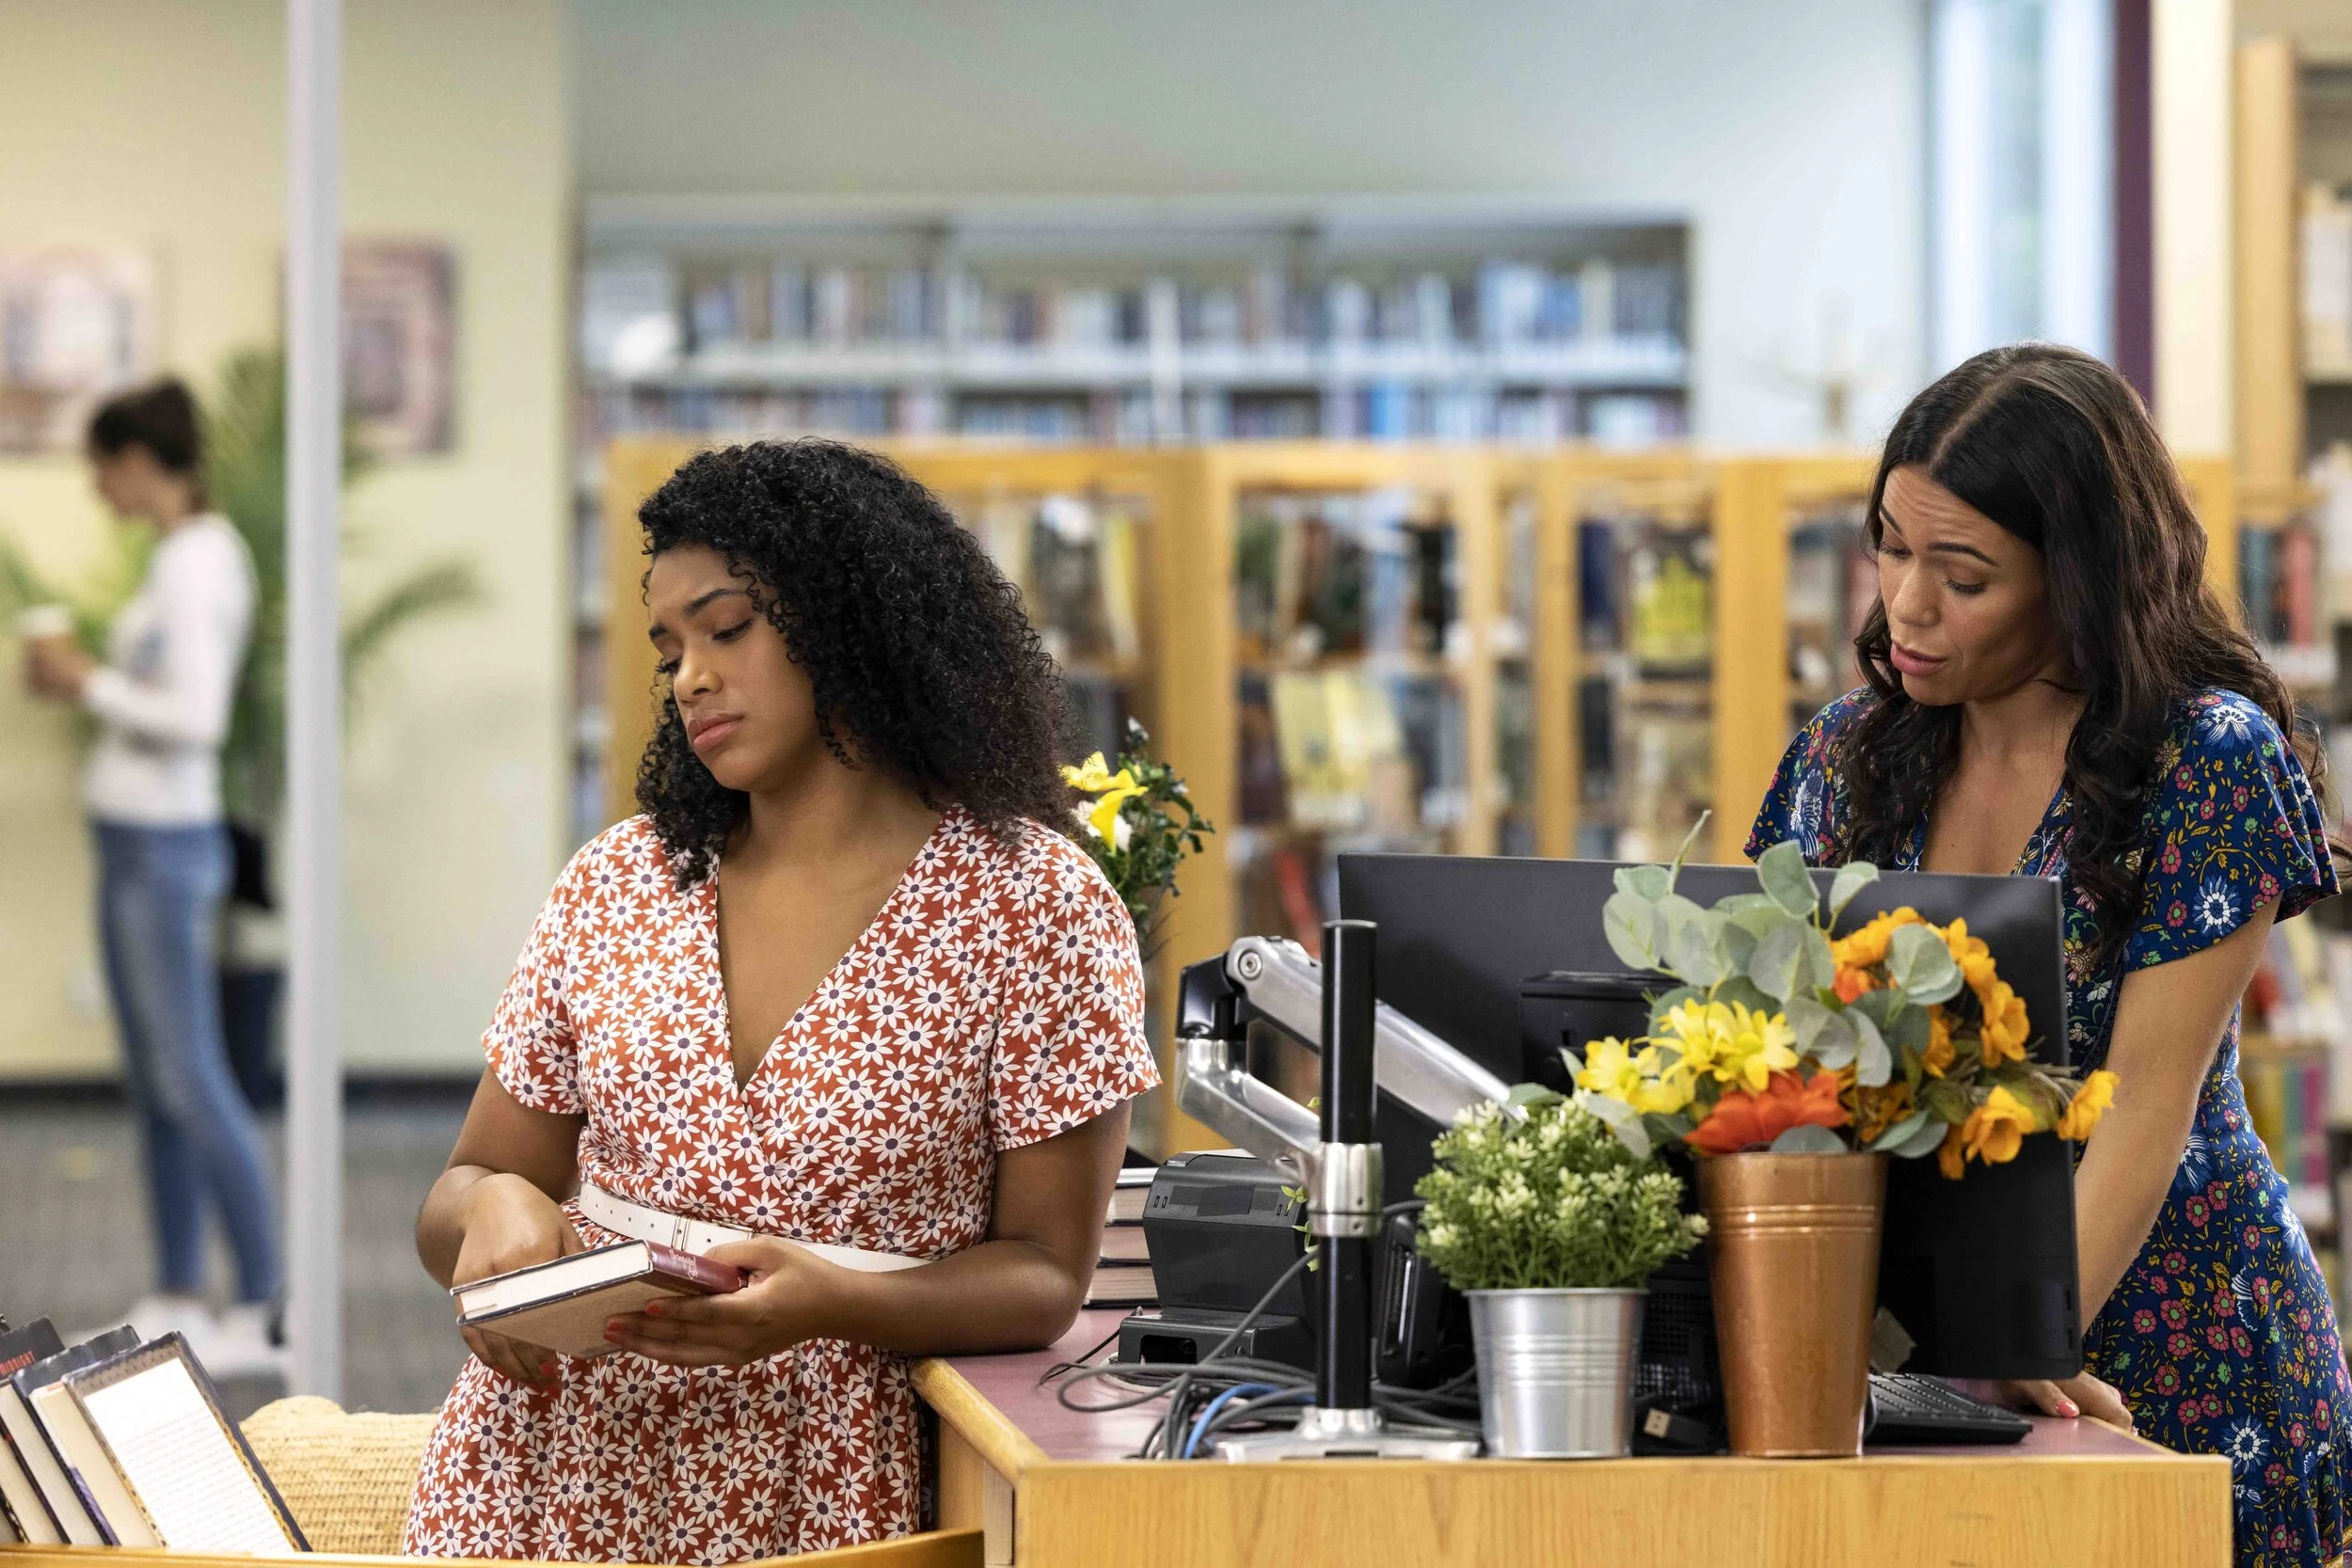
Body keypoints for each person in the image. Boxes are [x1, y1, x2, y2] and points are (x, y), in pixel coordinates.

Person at [405, 440, 1156, 1563]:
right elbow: (457, 1189)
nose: (689, 677)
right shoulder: (620, 880)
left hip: (827, 1481)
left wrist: (835, 1297)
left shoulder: (1035, 906)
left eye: (727, 628)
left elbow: (1047, 1276)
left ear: (847, 618)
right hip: (549, 1467)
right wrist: (492, 1209)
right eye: (670, 649)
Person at [1750, 343, 2348, 1568]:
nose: (1905, 605)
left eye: (1960, 574)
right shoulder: (1846, 752)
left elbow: (2145, 1106)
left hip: (2173, 1342)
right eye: (1890, 547)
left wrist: (2014, 1338)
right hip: (1911, 1353)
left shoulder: (2206, 754)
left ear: (2076, 577)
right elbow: (1767, 1048)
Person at [23, 379, 282, 1370]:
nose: (95, 486)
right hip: (133, 843)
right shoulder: (178, 560)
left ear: (138, 461)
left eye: (100, 465)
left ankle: (264, 1301)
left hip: (164, 850)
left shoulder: (199, 564)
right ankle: (179, 1290)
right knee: (155, 1086)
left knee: (192, 1078)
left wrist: (84, 680)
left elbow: (197, 721)